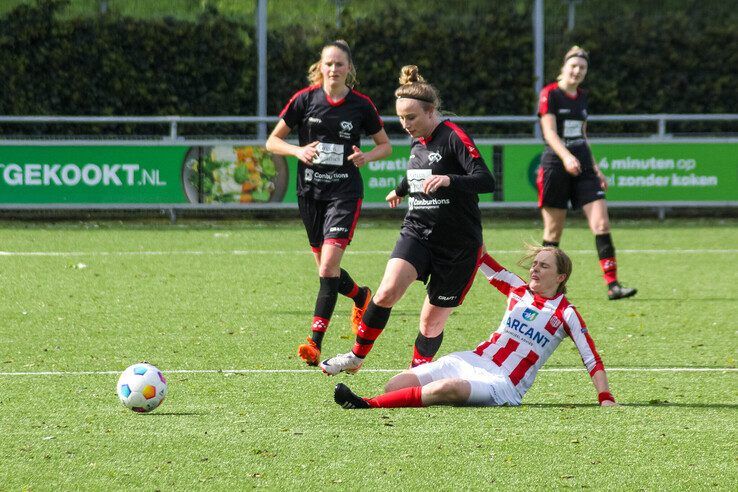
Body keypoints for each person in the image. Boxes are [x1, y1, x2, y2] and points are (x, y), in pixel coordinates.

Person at [319, 65, 495, 375]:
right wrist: (400, 189)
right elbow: (419, 170)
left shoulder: (454, 136)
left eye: (411, 118)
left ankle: (416, 375)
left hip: (458, 245)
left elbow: (485, 180)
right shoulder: (418, 139)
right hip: (417, 231)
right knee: (386, 292)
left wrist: (449, 180)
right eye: (401, 118)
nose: (405, 125)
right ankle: (356, 357)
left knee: (430, 322)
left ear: (431, 112)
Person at [332, 246, 618, 409]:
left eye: (543, 266)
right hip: (472, 359)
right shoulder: (518, 290)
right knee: (396, 384)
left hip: (503, 382)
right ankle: (419, 397)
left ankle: (367, 404)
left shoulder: (566, 313)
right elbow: (481, 257)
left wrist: (605, 397)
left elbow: (591, 358)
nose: (534, 269)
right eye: (534, 264)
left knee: (448, 388)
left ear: (560, 276)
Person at [265, 40, 392, 366]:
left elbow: (385, 146)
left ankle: (314, 342)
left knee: (326, 268)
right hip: (309, 194)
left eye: (339, 64)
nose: (333, 69)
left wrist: (366, 156)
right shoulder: (304, 100)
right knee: (328, 270)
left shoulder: (361, 105)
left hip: (344, 194)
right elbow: (272, 141)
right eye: (328, 64)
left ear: (349, 69)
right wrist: (297, 151)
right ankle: (361, 296)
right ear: (320, 68)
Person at [537, 45, 636, 300]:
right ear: (564, 67)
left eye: (582, 67)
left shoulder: (582, 97)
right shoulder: (550, 93)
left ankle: (613, 286)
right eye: (574, 66)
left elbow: (582, 134)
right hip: (557, 165)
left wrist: (595, 168)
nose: (578, 71)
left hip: (582, 166)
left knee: (601, 222)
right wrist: (566, 156)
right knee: (553, 233)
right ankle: (541, 288)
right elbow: (549, 132)